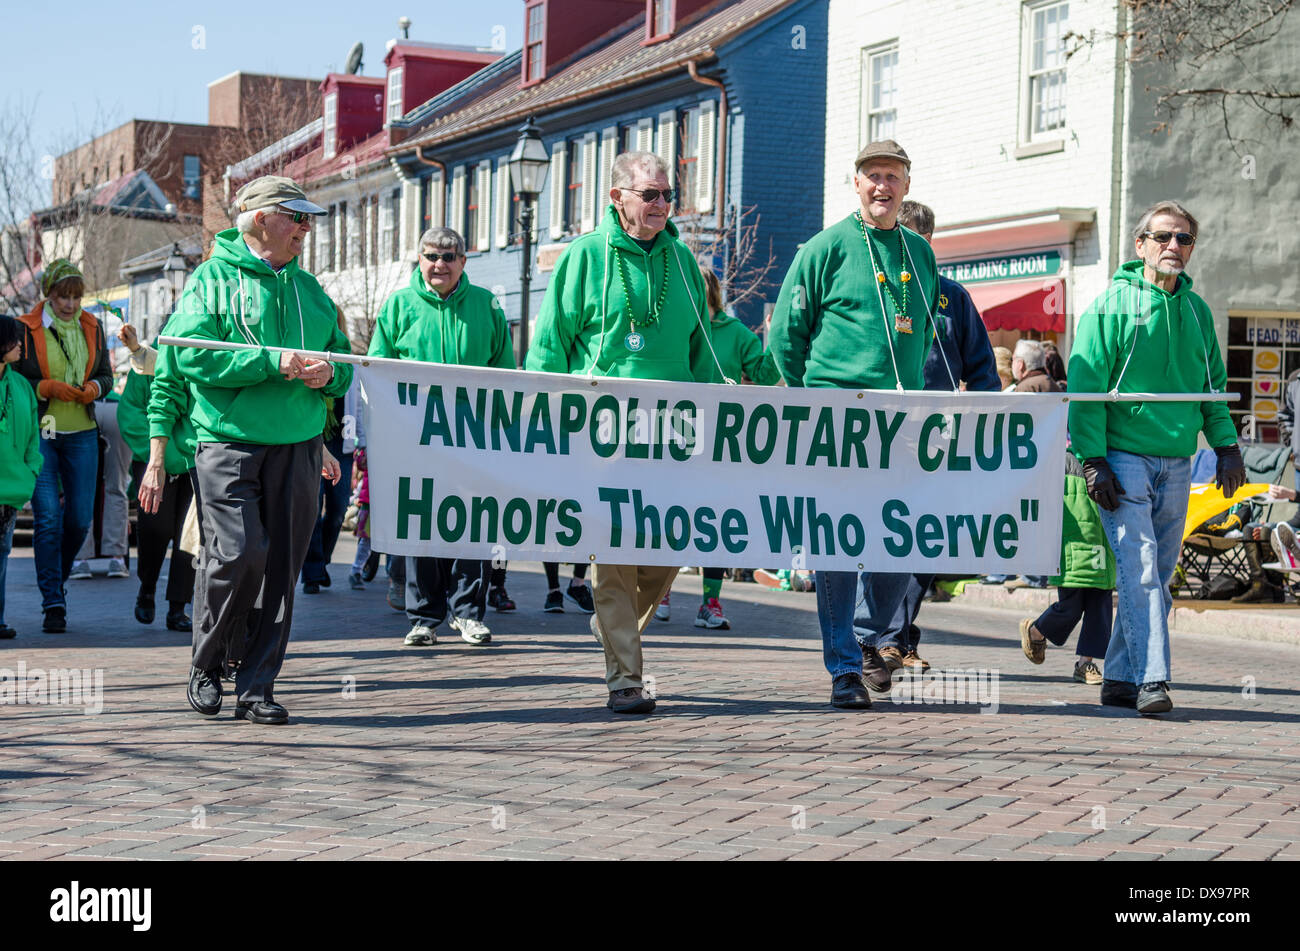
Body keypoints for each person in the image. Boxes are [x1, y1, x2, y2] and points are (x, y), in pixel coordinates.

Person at [526, 150, 716, 715]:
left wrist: (721, 415)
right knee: (613, 556)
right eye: (649, 194)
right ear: (617, 198)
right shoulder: (584, 257)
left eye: (667, 195)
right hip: (601, 437)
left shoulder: (683, 261)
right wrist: (547, 420)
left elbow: (701, 351)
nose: (661, 205)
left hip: (671, 436)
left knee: (662, 554)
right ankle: (625, 680)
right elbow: (549, 345)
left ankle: (612, 627)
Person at [165, 175, 353, 725]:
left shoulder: (311, 289)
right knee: (240, 551)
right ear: (258, 218)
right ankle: (208, 660)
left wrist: (328, 375)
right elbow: (189, 358)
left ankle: (256, 686)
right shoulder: (210, 280)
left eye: (307, 218)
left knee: (282, 569)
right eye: (295, 216)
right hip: (229, 442)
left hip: (296, 443)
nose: (305, 227)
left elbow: (342, 363)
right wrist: (269, 362)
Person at [768, 140, 939, 710]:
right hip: (837, 422)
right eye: (872, 176)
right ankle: (843, 666)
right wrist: (813, 402)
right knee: (836, 545)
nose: (881, 186)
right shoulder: (824, 249)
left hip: (903, 426)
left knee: (897, 542)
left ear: (906, 185)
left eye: (892, 176)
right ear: (857, 183)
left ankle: (870, 641)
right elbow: (785, 338)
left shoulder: (920, 253)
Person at [1068, 199, 1245, 715]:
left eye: (1184, 239)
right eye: (1163, 237)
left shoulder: (1197, 311)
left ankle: (1119, 677)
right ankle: (1152, 679)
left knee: (1152, 574)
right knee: (1141, 567)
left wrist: (1227, 446)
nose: (1174, 247)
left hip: (1177, 460)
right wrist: (1092, 459)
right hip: (1122, 457)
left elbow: (1212, 388)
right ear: (1140, 244)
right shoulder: (1111, 305)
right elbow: (1085, 389)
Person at [862, 200, 1001, 673]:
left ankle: (894, 638)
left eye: (918, 241)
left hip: (936, 439)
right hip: (876, 436)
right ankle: (874, 636)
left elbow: (983, 370)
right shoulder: (870, 289)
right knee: (876, 535)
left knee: (921, 539)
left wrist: (983, 424)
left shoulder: (952, 298)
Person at [369, 226, 513, 649]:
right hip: (416, 438)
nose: (440, 264)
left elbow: (504, 371)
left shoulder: (486, 305)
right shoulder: (398, 306)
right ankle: (425, 617)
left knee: (472, 522)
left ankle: (468, 614)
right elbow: (377, 367)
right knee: (422, 524)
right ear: (419, 259)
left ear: (463, 262)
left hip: (473, 437)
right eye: (432, 255)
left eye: (450, 257)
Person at [676, 265, 782, 631]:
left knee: (714, 522)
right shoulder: (678, 330)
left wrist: (779, 337)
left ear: (708, 292)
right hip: (679, 438)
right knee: (671, 515)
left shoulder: (735, 333)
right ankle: (658, 592)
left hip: (722, 442)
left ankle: (710, 601)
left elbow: (766, 375)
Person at [14, 259, 112, 633]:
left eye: (75, 297)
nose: (70, 305)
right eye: (62, 296)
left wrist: (95, 389)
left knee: (79, 520)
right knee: (49, 520)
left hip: (81, 430)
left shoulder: (94, 326)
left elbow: (104, 374)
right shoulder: (26, 329)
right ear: (49, 294)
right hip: (44, 429)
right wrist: (46, 387)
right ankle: (53, 599)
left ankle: (56, 578)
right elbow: (18, 376)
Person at [117, 329, 197, 631]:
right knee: (155, 530)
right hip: (154, 461)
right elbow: (132, 414)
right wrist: (161, 456)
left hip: (192, 463)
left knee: (190, 537)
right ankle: (147, 587)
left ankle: (178, 607)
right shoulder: (147, 367)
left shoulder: (198, 365)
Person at [1018, 451, 1115, 684]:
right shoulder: (1062, 460)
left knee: (1099, 610)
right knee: (1070, 607)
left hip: (1104, 547)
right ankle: (1036, 630)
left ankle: (1085, 664)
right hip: (1072, 547)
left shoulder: (1116, 458)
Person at [69, 304, 132, 581]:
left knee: (82, 486)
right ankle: (117, 558)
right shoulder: (99, 337)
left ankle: (80, 559)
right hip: (116, 408)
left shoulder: (70, 339)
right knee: (116, 485)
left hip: (86, 408)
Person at [0, 316, 43, 640]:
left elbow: (33, 438)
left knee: (2, 555)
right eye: (13, 340)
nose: (19, 346)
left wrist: (31, 472)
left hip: (13, 489)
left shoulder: (22, 386)